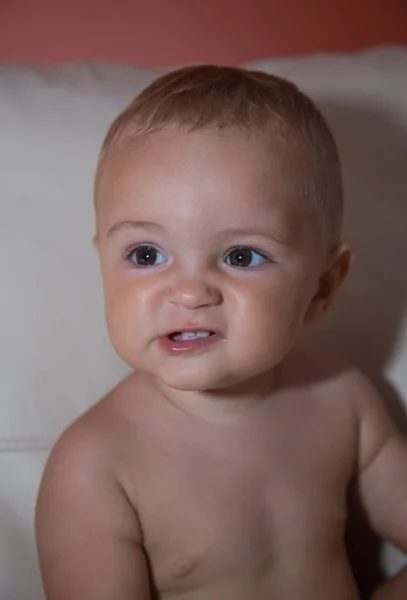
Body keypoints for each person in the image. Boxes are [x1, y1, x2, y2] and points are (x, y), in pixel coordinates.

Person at [35, 65, 407, 600]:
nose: (189, 293)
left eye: (240, 255)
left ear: (322, 288)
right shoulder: (96, 465)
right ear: (103, 265)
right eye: (146, 254)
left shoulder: (340, 400)